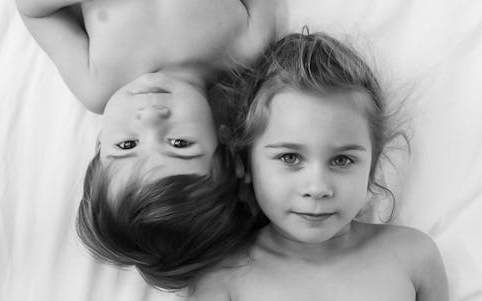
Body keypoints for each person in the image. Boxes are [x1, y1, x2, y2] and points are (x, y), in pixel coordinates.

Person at [14, 0, 276, 291]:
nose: (150, 119)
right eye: (180, 142)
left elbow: (30, 5)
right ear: (223, 142)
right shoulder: (245, 45)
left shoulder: (96, 84)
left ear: (100, 143)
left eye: (126, 145)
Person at [187, 31, 449, 300]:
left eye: (342, 160)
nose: (317, 188)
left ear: (372, 165)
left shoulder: (413, 256)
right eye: (290, 158)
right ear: (244, 163)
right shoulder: (222, 279)